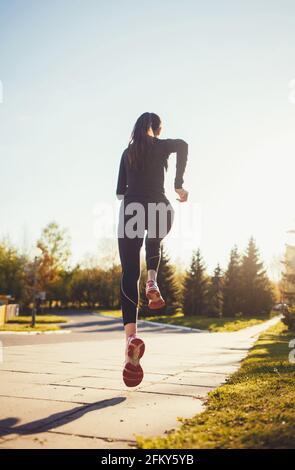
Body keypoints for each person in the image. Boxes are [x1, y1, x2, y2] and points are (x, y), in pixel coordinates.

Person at [116, 112, 188, 387]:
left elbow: (120, 191)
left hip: (130, 210)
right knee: (154, 241)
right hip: (159, 205)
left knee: (128, 273)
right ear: (156, 129)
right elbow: (183, 145)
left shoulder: (127, 152)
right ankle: (152, 282)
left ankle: (130, 338)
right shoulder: (160, 145)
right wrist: (178, 184)